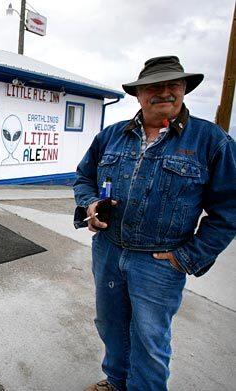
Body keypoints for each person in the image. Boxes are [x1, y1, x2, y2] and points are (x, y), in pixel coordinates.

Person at [74, 56, 236, 391]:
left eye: (172, 85)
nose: (163, 92)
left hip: (160, 262)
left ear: (184, 89)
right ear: (138, 94)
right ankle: (117, 383)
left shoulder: (211, 140)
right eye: (154, 86)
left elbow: (230, 208)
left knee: (149, 340)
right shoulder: (111, 136)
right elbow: (83, 177)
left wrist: (189, 256)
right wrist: (88, 204)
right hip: (107, 250)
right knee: (110, 325)